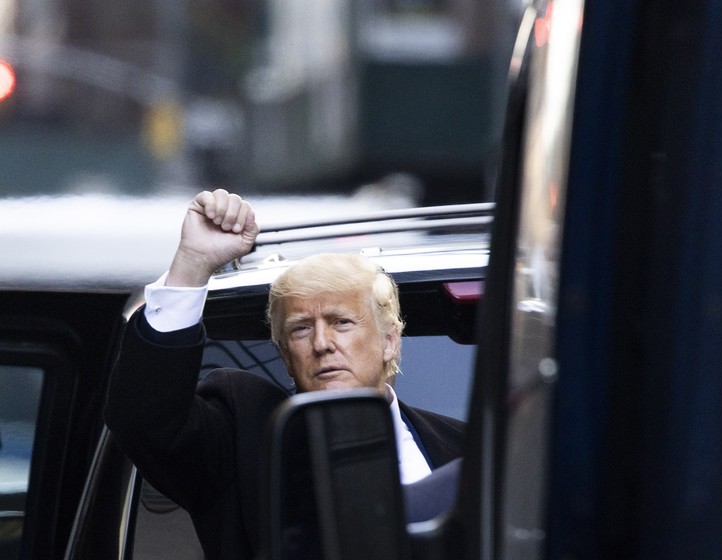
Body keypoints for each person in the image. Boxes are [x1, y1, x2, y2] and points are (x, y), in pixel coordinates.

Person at [104, 189, 465, 560]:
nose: (322, 343)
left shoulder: (467, 449)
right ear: (285, 355)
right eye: (301, 329)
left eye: (341, 322)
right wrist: (193, 264)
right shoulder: (244, 432)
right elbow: (146, 422)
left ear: (390, 342)